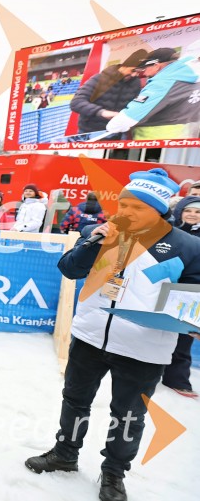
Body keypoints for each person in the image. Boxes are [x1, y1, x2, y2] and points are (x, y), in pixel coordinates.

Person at [24, 168, 200, 501]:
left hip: (144, 347)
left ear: (159, 210)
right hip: (90, 336)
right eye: (124, 204)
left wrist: (193, 321)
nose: (126, 211)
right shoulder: (99, 232)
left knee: (128, 416)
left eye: (137, 206)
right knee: (75, 401)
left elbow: (194, 297)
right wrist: (94, 244)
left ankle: (114, 473)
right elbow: (69, 269)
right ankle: (65, 453)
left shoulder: (187, 246)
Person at [106, 48, 200, 140]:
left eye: (145, 68)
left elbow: (131, 116)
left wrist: (113, 126)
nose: (144, 73)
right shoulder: (190, 78)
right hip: (187, 139)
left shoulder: (163, 82)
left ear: (156, 66)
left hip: (156, 141)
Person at [160, 195, 200, 398]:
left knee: (185, 335)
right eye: (188, 210)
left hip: (191, 292)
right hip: (164, 287)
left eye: (198, 212)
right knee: (154, 330)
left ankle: (176, 378)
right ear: (180, 212)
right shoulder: (168, 231)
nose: (193, 215)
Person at [69, 49, 147, 140]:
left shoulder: (136, 83)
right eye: (133, 70)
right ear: (124, 66)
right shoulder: (99, 79)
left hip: (118, 132)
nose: (134, 75)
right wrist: (101, 112)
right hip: (91, 132)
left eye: (138, 71)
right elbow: (76, 102)